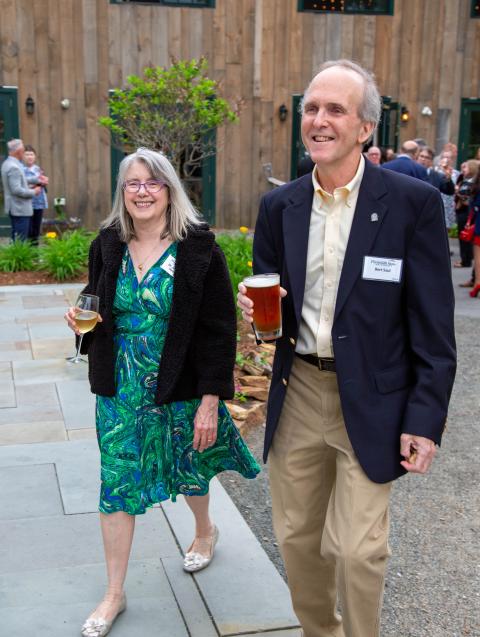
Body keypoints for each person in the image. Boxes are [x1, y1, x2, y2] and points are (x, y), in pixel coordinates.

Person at [238, 59, 456, 637]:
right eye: (311, 108)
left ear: (366, 128)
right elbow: (273, 319)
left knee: (358, 551)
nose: (318, 119)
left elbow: (435, 328)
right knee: (296, 539)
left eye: (336, 109)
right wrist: (260, 321)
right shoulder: (278, 207)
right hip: (301, 390)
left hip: (376, 395)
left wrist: (425, 420)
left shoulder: (411, 205)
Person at [65, 148, 260, 637]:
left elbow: (218, 329)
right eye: (132, 183)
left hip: (180, 381)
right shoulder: (107, 243)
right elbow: (96, 308)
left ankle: (204, 530)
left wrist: (211, 400)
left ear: (170, 189)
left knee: (190, 464)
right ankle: (114, 593)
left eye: (152, 182)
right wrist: (81, 327)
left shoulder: (198, 248)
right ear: (122, 193)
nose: (142, 191)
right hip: (120, 387)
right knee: (118, 485)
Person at [0, 139, 41, 241]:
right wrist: (34, 192)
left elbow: (20, 180)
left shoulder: (8, 163)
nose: (23, 152)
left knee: (16, 238)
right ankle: (19, 257)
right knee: (21, 241)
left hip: (15, 208)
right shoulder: (14, 167)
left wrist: (37, 179)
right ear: (18, 151)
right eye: (23, 149)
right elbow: (17, 190)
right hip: (19, 208)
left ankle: (15, 256)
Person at [455, 160, 479, 272]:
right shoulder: (464, 181)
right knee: (463, 237)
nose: (462, 170)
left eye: (465, 167)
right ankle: (464, 259)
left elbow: (468, 200)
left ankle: (466, 260)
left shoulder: (472, 183)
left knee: (466, 237)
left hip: (467, 213)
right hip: (462, 212)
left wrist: (458, 193)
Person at [23, 145, 49, 245]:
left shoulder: (38, 169)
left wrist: (44, 182)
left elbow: (43, 182)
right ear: (23, 156)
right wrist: (36, 183)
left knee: (36, 229)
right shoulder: (20, 169)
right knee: (28, 230)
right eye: (27, 154)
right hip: (27, 203)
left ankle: (35, 254)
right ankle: (28, 252)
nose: (29, 157)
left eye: (31, 154)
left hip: (39, 202)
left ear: (35, 156)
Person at [467, 169, 480, 298]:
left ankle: (478, 282)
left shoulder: (476, 184)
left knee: (478, 257)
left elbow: (474, 205)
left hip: (479, 225)